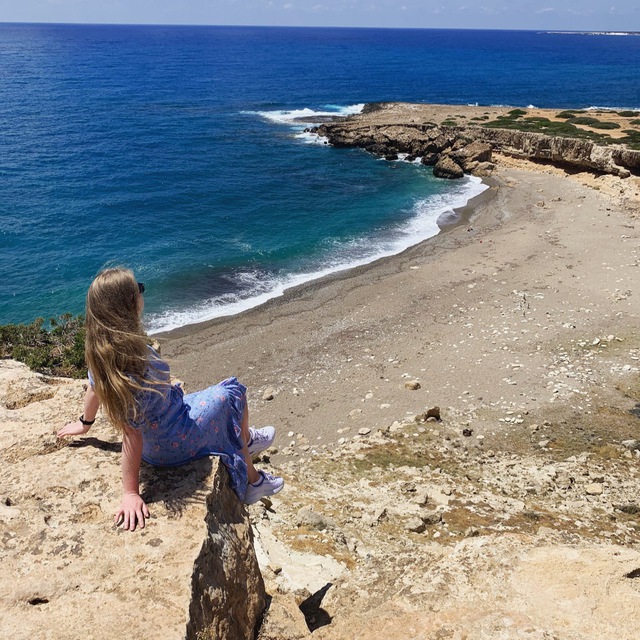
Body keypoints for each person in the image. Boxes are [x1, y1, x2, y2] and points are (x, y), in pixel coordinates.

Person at [57, 267, 283, 531]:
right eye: (139, 289)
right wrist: (130, 493)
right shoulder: (136, 365)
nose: (142, 292)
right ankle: (253, 480)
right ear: (130, 305)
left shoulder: (104, 355)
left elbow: (93, 388)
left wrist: (85, 423)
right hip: (173, 441)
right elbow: (131, 434)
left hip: (159, 435)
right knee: (233, 393)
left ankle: (245, 439)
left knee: (219, 399)